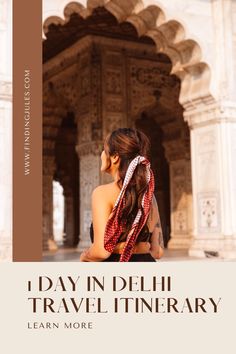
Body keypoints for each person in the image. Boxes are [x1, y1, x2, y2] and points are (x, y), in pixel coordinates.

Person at [79, 128, 164, 262]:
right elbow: (157, 251)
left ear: (114, 157)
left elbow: (102, 251)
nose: (102, 154)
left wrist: (85, 256)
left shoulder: (102, 193)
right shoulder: (149, 196)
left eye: (104, 150)